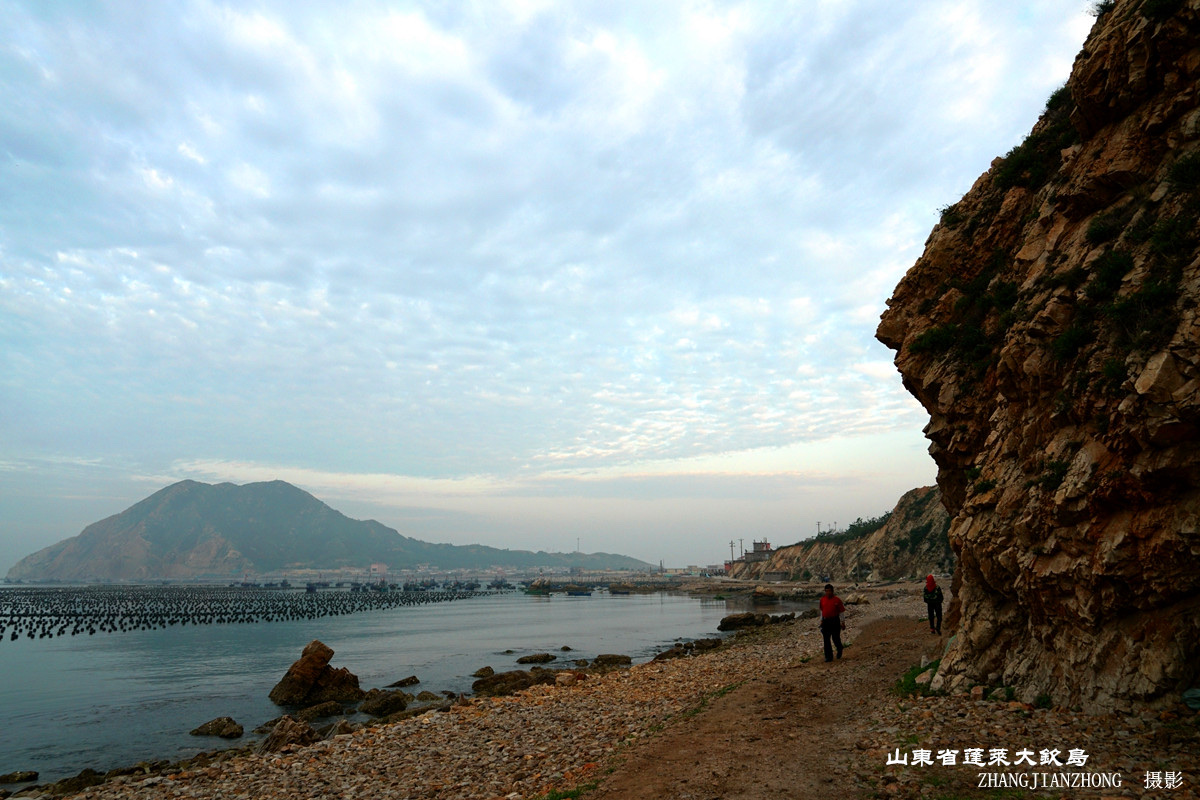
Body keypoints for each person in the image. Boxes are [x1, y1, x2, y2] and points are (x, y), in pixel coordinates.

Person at [818, 583, 846, 662]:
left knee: (835, 638)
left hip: (835, 621)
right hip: (826, 621)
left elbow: (841, 612)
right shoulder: (822, 600)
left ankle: (839, 648)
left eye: (829, 591)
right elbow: (821, 611)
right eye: (826, 591)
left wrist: (843, 622)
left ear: (832, 591)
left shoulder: (837, 600)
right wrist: (821, 620)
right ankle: (828, 656)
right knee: (826, 639)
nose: (828, 593)